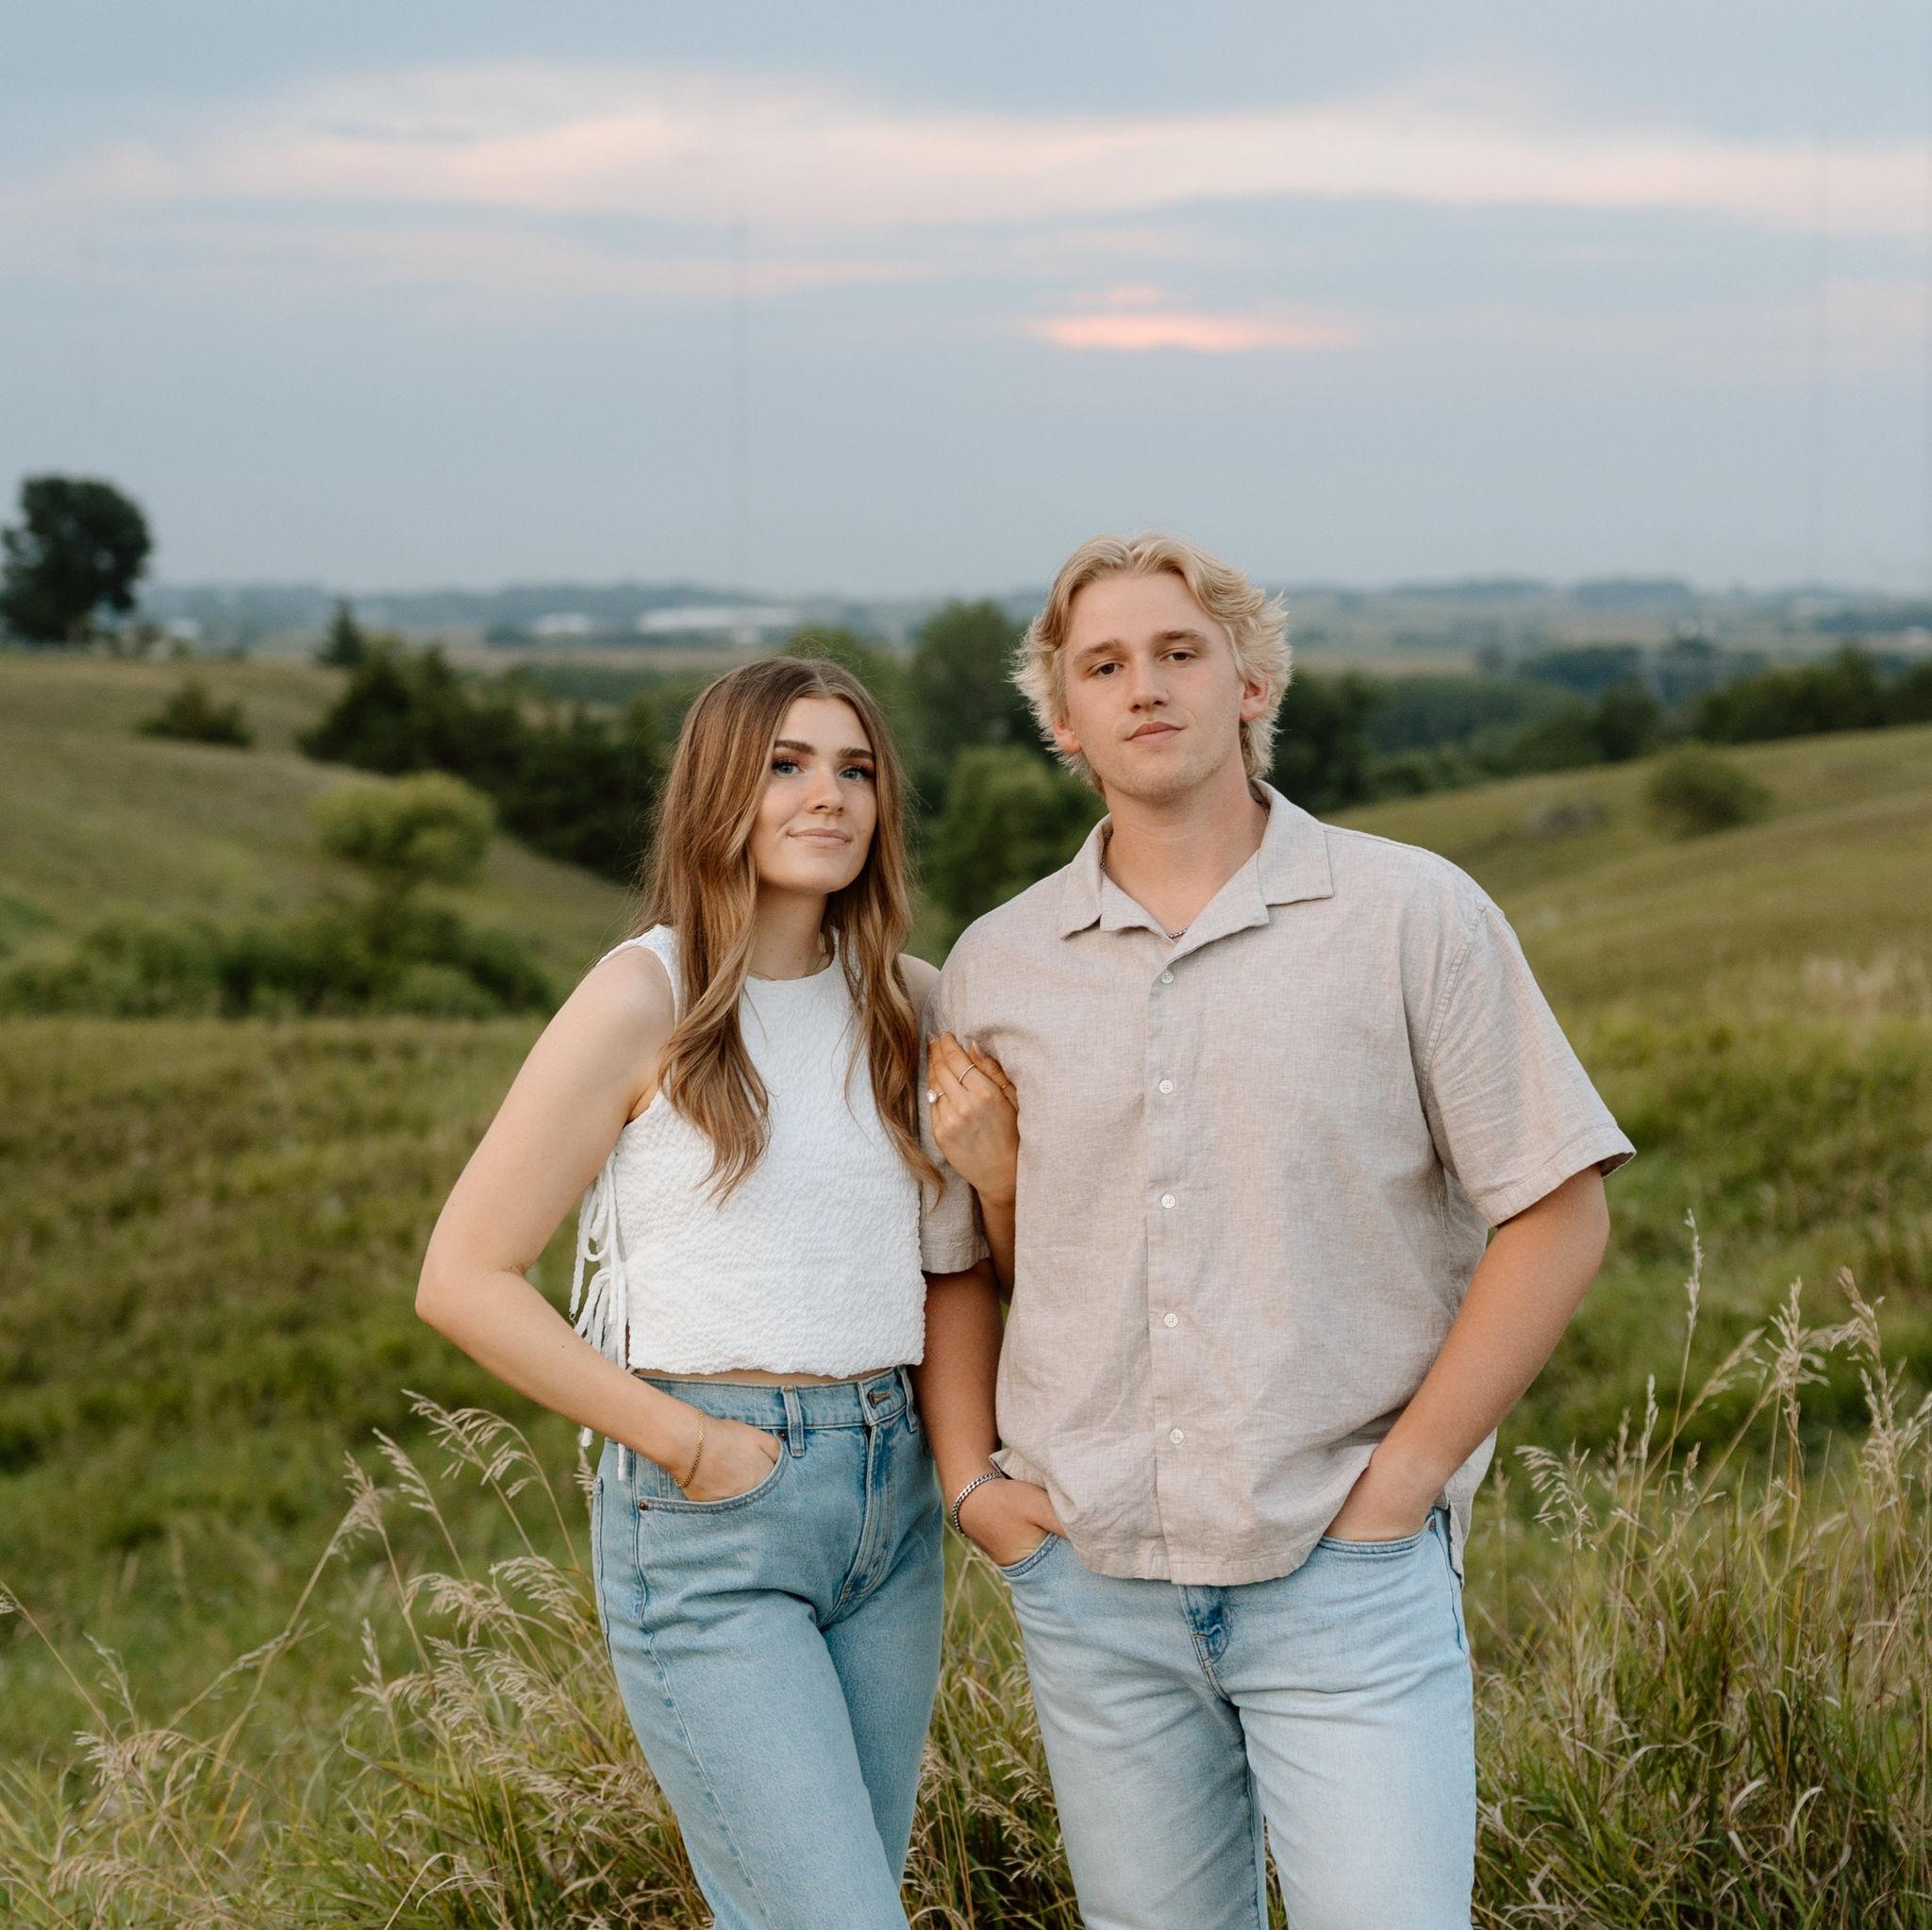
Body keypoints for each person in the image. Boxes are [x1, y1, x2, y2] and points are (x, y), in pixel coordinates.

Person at [916, 532, 1636, 1930]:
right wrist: (972, 1491)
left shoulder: (1412, 915)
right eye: (1103, 666)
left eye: (1179, 651)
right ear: (1063, 720)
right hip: (1094, 1581)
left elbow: (1557, 1209)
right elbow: (974, 1265)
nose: (1145, 686)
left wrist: (1404, 1482)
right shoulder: (997, 965)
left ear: (1251, 683)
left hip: (1341, 1566)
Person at [417, 655, 963, 1930]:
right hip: (717, 1511)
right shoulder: (643, 994)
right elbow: (463, 1276)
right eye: (787, 765)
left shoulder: (911, 1001)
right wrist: (694, 1446)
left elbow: (963, 1263)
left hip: (892, 1502)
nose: (828, 795)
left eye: (856, 769)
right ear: (720, 788)